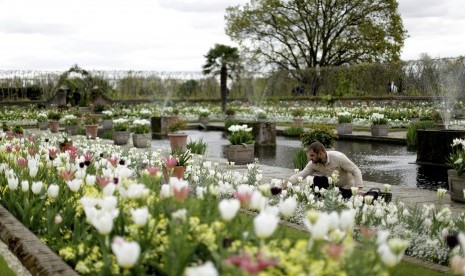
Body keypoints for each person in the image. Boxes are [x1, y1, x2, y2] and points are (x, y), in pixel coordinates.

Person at [288, 141, 363, 199]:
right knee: (316, 180)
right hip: (333, 187)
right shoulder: (314, 163)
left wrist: (359, 189)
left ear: (321, 154)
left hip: (347, 188)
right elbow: (300, 175)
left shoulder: (338, 157)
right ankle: (317, 201)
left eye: (312, 155)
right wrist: (283, 186)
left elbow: (356, 170)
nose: (310, 159)